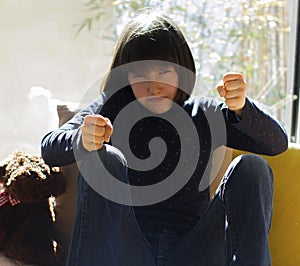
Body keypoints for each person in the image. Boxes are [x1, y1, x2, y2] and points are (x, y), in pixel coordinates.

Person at [41, 12, 288, 266]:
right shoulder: (112, 107)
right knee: (106, 159)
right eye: (140, 75)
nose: (153, 85)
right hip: (127, 251)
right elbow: (49, 147)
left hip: (195, 253)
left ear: (181, 71)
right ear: (126, 76)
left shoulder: (204, 113)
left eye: (163, 71)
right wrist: (83, 138)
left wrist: (241, 108)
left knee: (252, 167)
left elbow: (277, 143)